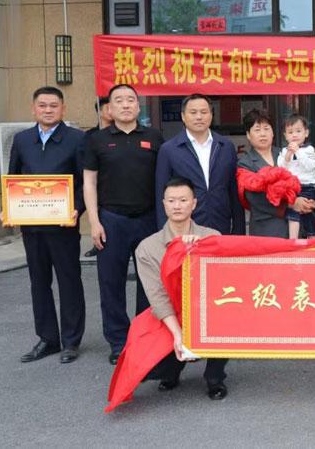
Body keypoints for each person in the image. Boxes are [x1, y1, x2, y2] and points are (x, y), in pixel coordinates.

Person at [83, 83, 164, 364]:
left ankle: (144, 337)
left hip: (148, 220)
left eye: (131, 100)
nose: (126, 105)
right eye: (119, 100)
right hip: (111, 220)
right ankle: (118, 342)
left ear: (138, 107)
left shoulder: (154, 137)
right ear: (110, 107)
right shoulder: (97, 140)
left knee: (149, 283)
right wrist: (94, 222)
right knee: (111, 283)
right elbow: (89, 182)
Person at [4, 86, 85, 364]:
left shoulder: (77, 139)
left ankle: (71, 341)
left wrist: (77, 209)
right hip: (32, 226)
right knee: (39, 283)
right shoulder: (22, 140)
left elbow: (85, 182)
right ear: (33, 108)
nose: (48, 110)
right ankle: (48, 339)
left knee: (69, 282)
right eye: (42, 105)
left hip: (64, 225)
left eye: (53, 105)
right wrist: (8, 209)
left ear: (63, 109)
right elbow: (13, 179)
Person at [136, 177, 228, 400]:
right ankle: (171, 371)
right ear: (164, 204)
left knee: (227, 315)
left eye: (183, 200)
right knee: (153, 369)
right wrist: (178, 334)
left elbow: (222, 285)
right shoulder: (147, 247)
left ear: (194, 203)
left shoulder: (212, 237)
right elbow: (157, 297)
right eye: (171, 201)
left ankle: (214, 377)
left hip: (206, 311)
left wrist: (199, 250)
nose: (177, 206)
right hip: (171, 314)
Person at [155, 93, 244, 235]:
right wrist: (165, 233)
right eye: (193, 112)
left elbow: (233, 190)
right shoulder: (169, 150)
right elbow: (161, 194)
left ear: (211, 115)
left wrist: (238, 229)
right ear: (183, 116)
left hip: (221, 224)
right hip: (185, 228)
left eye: (204, 112)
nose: (199, 117)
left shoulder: (225, 146)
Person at [238, 110, 315, 237]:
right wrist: (292, 203)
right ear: (248, 135)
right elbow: (255, 198)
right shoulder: (245, 163)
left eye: (266, 128)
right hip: (267, 229)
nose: (263, 134)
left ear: (273, 132)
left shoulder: (284, 153)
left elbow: (304, 174)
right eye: (257, 130)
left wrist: (309, 199)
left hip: (298, 227)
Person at [277, 114, 315, 239]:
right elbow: (282, 168)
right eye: (290, 132)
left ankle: (312, 236)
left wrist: (298, 152)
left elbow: (310, 166)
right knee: (293, 212)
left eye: (298, 131)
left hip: (308, 186)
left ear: (306, 133)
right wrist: (288, 155)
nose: (294, 135)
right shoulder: (284, 151)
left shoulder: (309, 149)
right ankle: (293, 239)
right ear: (285, 136)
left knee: (306, 210)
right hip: (292, 187)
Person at [83, 96, 112, 258]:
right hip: (95, 182)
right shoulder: (90, 136)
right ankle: (98, 244)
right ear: (99, 112)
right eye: (107, 107)